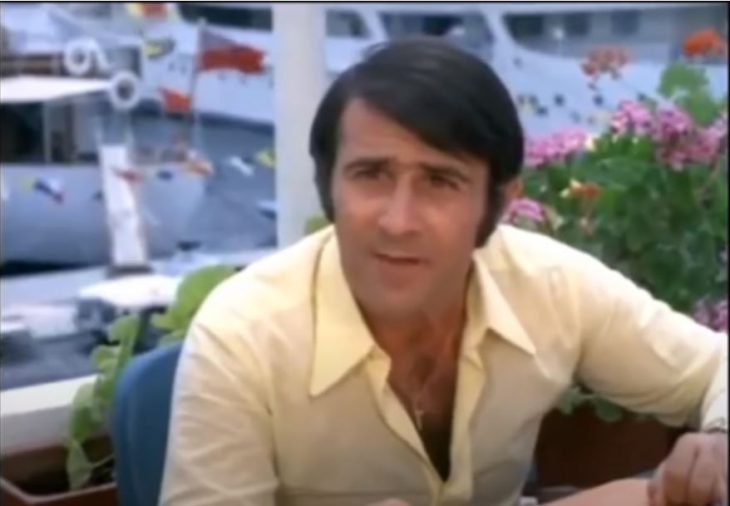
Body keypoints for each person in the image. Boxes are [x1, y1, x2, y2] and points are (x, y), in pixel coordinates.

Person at [159, 37, 727, 506]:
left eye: (440, 181)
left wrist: (720, 443)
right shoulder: (242, 336)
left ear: (499, 201)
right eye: (371, 174)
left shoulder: (551, 284)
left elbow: (716, 368)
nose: (398, 221)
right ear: (328, 186)